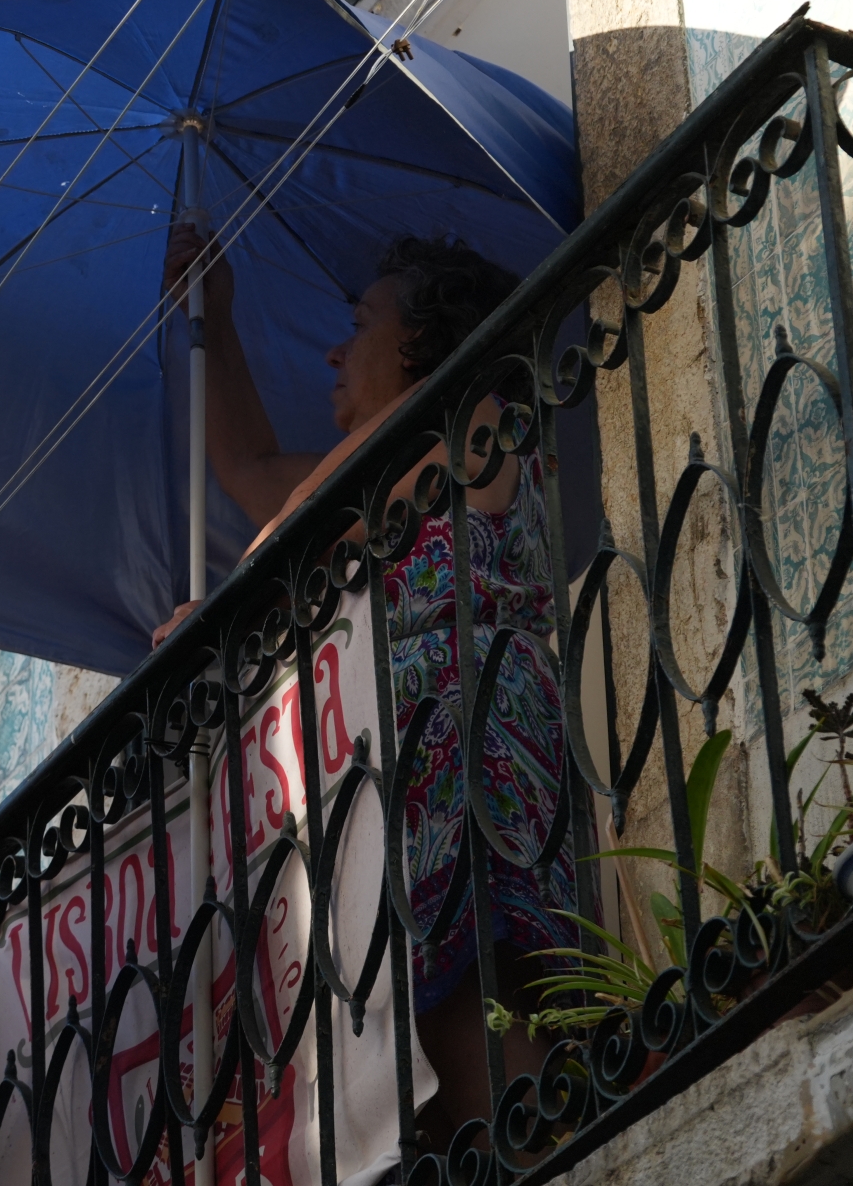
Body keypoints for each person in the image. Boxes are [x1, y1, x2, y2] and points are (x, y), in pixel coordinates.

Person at [155, 225, 576, 1144]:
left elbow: (301, 516)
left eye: (360, 322)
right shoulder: (388, 459)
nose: (337, 350)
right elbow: (253, 474)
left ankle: (533, 1147)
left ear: (422, 340)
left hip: (461, 731)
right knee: (433, 1001)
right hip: (409, 749)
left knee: (472, 994)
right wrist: (211, 323)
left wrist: (216, 628)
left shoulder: (466, 411)